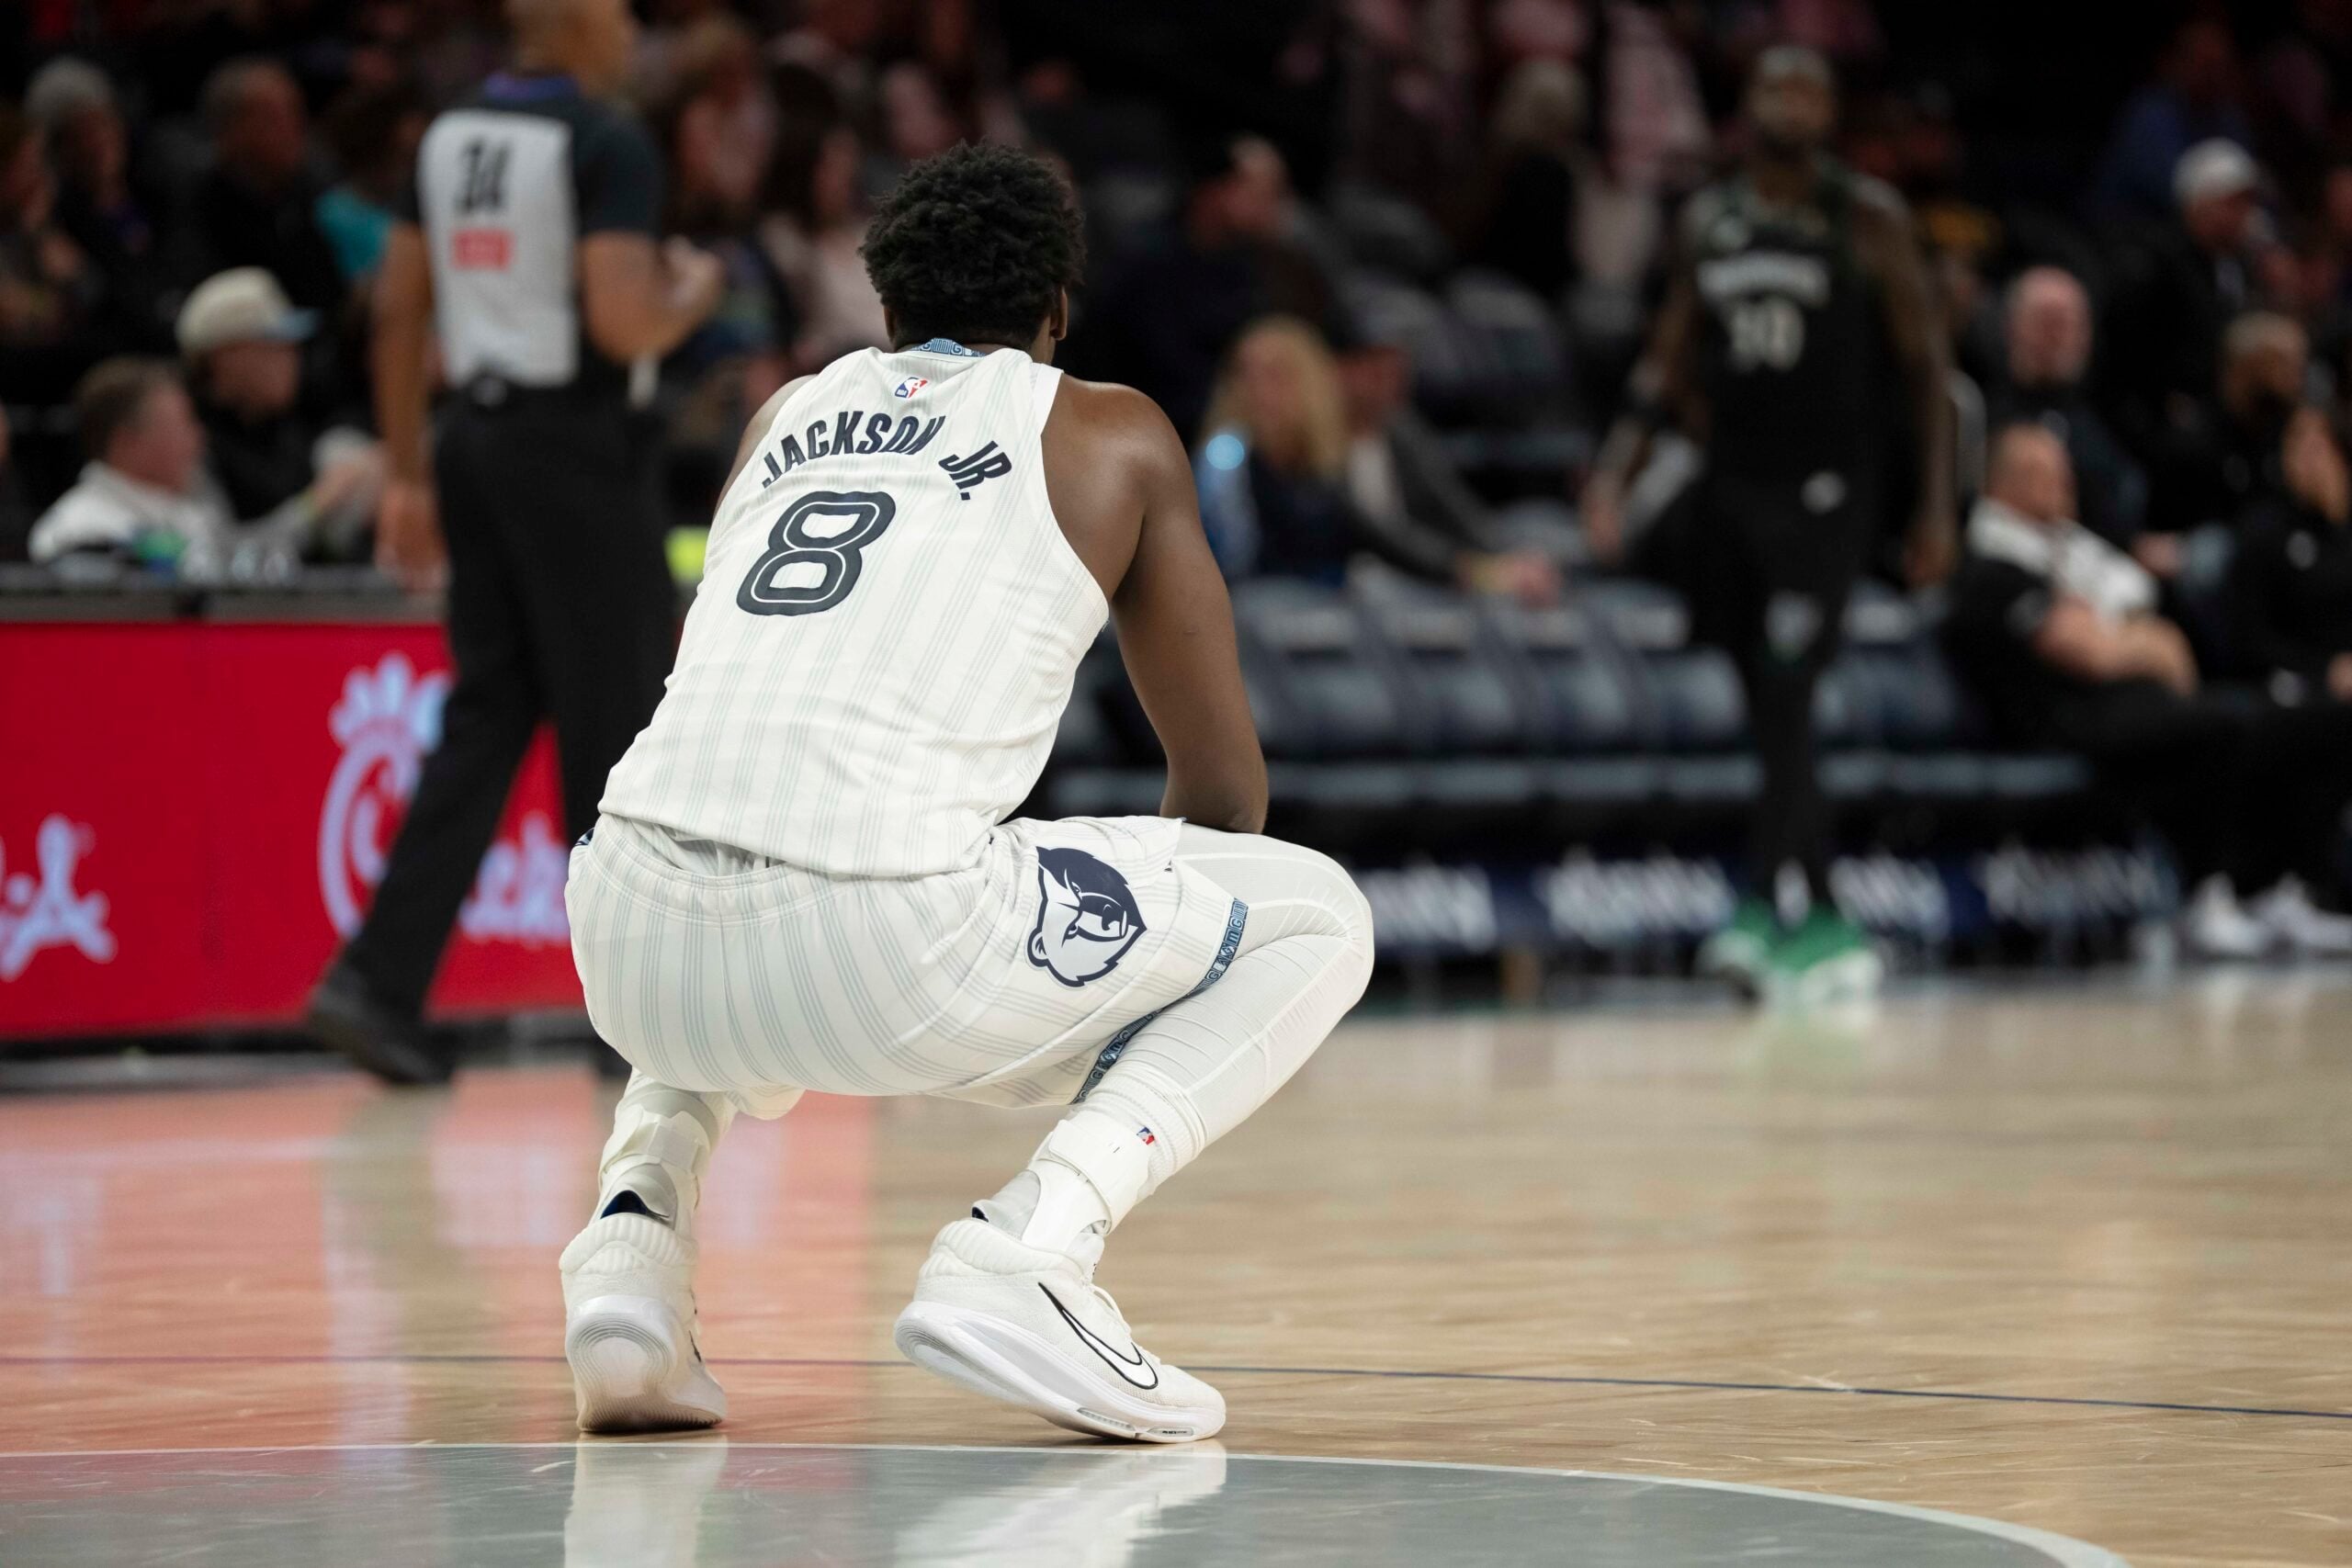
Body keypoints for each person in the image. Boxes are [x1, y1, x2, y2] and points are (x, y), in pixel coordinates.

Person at [560, 143, 1373, 1443]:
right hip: (883, 941)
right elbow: (1225, 790)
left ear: (884, 313)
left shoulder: (784, 416)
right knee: (1317, 913)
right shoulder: (1108, 427)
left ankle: (629, 1255)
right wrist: (1108, 992)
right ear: (1056, 314)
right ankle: (1034, 1247)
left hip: (617, 919)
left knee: (732, 841)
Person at [306, 0, 725, 1084]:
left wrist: (405, 470)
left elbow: (399, 309)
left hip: (473, 445)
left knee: (489, 716)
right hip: (578, 449)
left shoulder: (447, 135)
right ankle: (632, 1023)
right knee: (617, 725)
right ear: (578, 22)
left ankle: (377, 983)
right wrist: (693, 293)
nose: (633, 31)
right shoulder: (605, 139)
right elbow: (622, 320)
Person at [1580, 46, 1954, 999]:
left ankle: (1786, 910)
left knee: (1788, 693)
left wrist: (1936, 505)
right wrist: (1614, 475)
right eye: (1774, 87)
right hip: (1733, 489)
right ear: (1746, 107)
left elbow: (1923, 372)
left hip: (1831, 493)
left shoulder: (1864, 216)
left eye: (1808, 88)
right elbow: (1669, 359)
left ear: (1829, 112)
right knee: (1764, 706)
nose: (1790, 101)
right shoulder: (1711, 221)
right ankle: (1798, 912)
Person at [1944, 424, 2352, 958]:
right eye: (2042, 473)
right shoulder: (1989, 565)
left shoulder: (2077, 554)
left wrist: (2124, 641)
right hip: (2060, 720)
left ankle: (2279, 888)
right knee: (2228, 727)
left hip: (2126, 704)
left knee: (2301, 722)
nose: (2062, 483)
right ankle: (2207, 893)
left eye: (2061, 470)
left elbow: (2164, 648)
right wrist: (2135, 643)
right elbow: (2089, 653)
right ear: (2002, 485)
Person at [1195, 316, 1555, 599]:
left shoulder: (1321, 465)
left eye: (1277, 378)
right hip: (1255, 609)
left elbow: (1384, 539)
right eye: (1249, 376)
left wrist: (1487, 574)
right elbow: (1225, 563)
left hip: (1324, 606)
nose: (1261, 392)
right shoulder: (1227, 454)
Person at [27, 355, 321, 575]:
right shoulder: (74, 530)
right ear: (128, 441)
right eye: (184, 423)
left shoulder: (194, 516)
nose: (199, 437)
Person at [178, 267, 384, 556]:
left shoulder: (291, 427)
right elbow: (215, 556)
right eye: (273, 344)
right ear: (226, 357)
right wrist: (316, 506)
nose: (292, 356)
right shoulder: (191, 444)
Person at [1988, 266, 2148, 555]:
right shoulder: (1986, 414)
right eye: (2046, 322)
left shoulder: (2115, 416)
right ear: (2011, 327)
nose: (2057, 337)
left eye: (2069, 324)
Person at [184, 59, 345, 312]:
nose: (293, 128)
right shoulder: (197, 206)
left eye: (295, 112)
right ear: (229, 130)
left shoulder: (315, 192)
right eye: (273, 117)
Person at [2225, 406, 2352, 700]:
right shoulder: (2264, 532)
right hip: (2303, 687)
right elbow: (2251, 640)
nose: (2305, 457)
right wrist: (2327, 669)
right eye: (2295, 442)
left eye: (2317, 445)